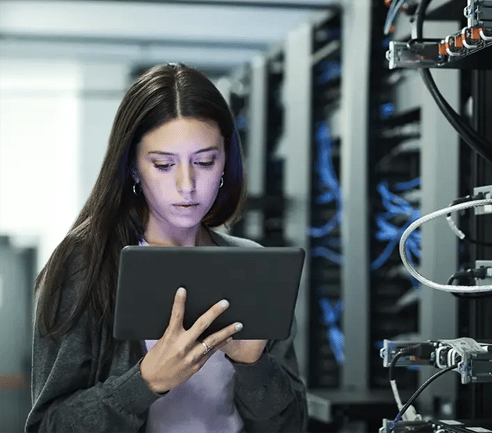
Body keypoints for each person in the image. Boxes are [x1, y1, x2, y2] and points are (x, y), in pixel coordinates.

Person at [24, 63, 307, 433]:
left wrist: (254, 367)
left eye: (205, 162)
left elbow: (292, 424)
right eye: (163, 164)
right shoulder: (84, 267)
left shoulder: (250, 263)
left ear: (226, 162)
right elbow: (49, 426)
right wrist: (144, 383)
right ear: (132, 167)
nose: (186, 185)